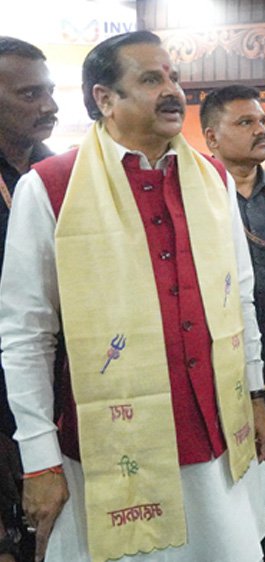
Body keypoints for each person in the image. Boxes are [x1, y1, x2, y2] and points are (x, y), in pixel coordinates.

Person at [0, 31, 265, 562]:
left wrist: (256, 394)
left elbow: (241, 297)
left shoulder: (211, 178)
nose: (172, 90)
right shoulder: (50, 186)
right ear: (105, 98)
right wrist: (39, 457)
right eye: (151, 79)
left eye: (173, 77)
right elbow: (27, 335)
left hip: (215, 429)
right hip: (108, 445)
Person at [200, 84, 265, 562]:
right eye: (245, 122)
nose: (261, 130)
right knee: (221, 497)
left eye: (262, 121)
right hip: (218, 372)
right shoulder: (198, 193)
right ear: (211, 137)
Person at [0, 36, 57, 562]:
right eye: (30, 94)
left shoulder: (57, 178)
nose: (49, 106)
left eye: (49, 91)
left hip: (49, 385)